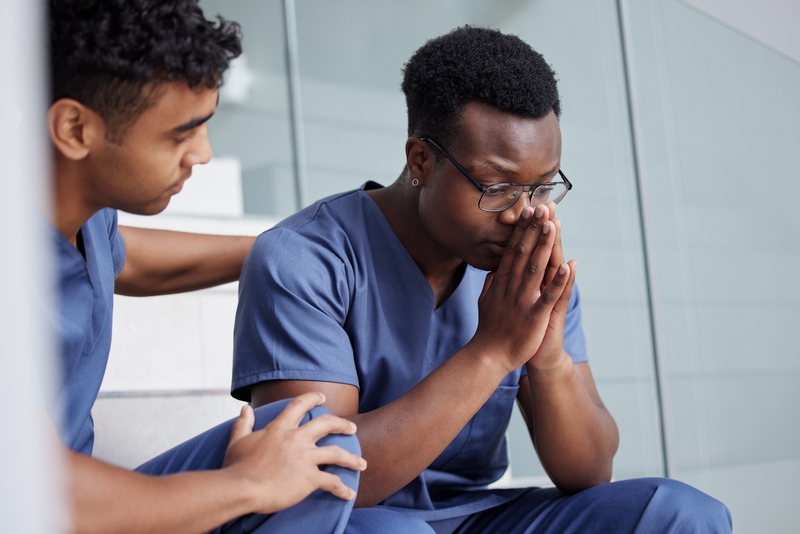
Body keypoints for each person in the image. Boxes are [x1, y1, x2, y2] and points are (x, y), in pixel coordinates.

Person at [232, 26, 733, 533]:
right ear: (420, 161)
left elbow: (589, 472)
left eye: (543, 187)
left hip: (474, 515)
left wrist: (548, 356)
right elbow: (322, 477)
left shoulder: (526, 271)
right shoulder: (302, 259)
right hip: (347, 520)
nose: (524, 214)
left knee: (682, 513)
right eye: (497, 187)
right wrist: (493, 351)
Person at [47, 1, 369, 532]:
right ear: (76, 129)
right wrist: (244, 484)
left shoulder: (81, 219)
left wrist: (283, 251)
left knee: (313, 436)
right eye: (180, 134)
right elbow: (36, 494)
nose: (203, 153)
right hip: (50, 503)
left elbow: (126, 258)